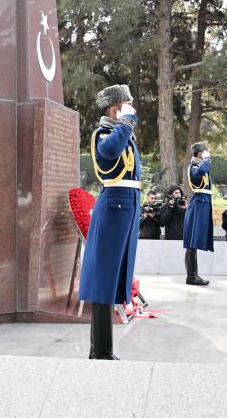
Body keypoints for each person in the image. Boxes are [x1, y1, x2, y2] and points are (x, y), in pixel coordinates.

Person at [80, 84, 141, 360]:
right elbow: (108, 154)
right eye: (127, 105)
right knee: (103, 280)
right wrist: (125, 123)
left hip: (126, 206)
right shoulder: (103, 134)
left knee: (112, 279)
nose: (132, 110)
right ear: (116, 109)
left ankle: (101, 350)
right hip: (114, 206)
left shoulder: (124, 134)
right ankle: (101, 351)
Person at [182, 141, 214, 285]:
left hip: (203, 202)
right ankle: (191, 276)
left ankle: (193, 275)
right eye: (205, 151)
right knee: (192, 242)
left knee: (193, 243)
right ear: (200, 153)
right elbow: (199, 173)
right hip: (199, 203)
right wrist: (207, 159)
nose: (207, 153)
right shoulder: (194, 167)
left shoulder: (200, 165)